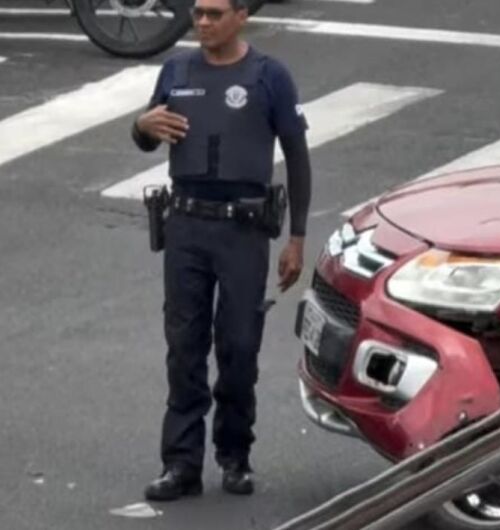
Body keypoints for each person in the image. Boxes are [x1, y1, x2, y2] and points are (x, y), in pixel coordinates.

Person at [131, 0, 311, 501]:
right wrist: (142, 128)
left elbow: (296, 155)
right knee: (184, 347)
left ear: (240, 16)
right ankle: (181, 464)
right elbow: (148, 134)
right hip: (186, 225)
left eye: (214, 13)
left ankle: (235, 457)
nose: (203, 22)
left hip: (243, 231)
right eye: (197, 13)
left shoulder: (268, 76)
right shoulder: (176, 70)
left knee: (237, 346)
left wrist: (296, 237)